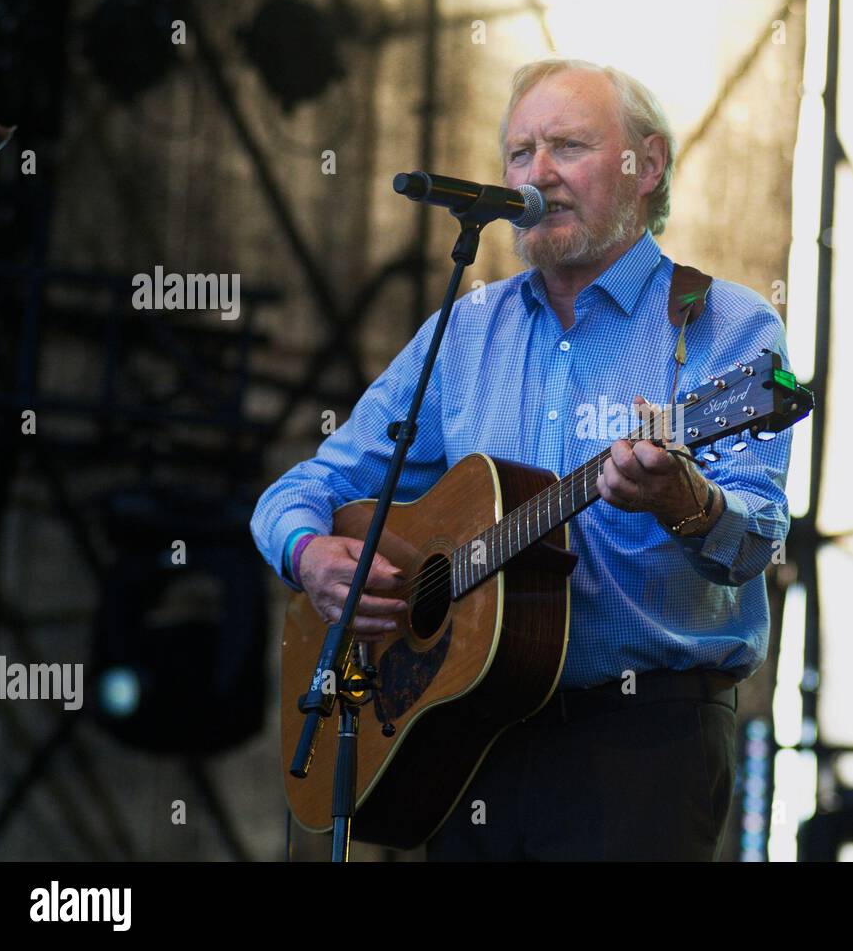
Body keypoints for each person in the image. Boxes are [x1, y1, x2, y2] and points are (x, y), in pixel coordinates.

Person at [250, 58, 793, 861]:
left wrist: (684, 499)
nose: (537, 174)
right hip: (468, 735)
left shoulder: (721, 326)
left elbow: (756, 541)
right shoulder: (468, 329)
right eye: (518, 153)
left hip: (643, 744)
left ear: (648, 166)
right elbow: (310, 484)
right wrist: (309, 552)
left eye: (568, 146)